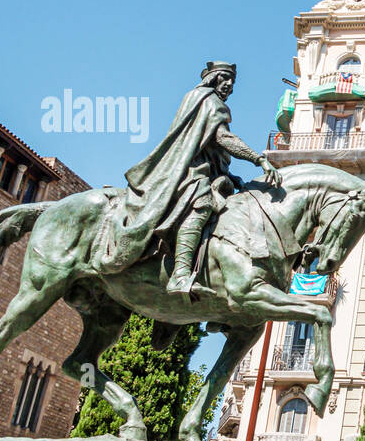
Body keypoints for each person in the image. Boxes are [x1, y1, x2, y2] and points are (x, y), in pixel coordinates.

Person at [95, 60, 282, 296]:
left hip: (192, 168)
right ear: (214, 79)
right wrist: (259, 159)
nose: (229, 85)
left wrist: (230, 175)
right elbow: (223, 139)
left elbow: (204, 145)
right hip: (189, 172)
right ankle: (180, 275)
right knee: (202, 204)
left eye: (232, 82)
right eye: (225, 79)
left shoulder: (197, 99)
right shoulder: (210, 102)